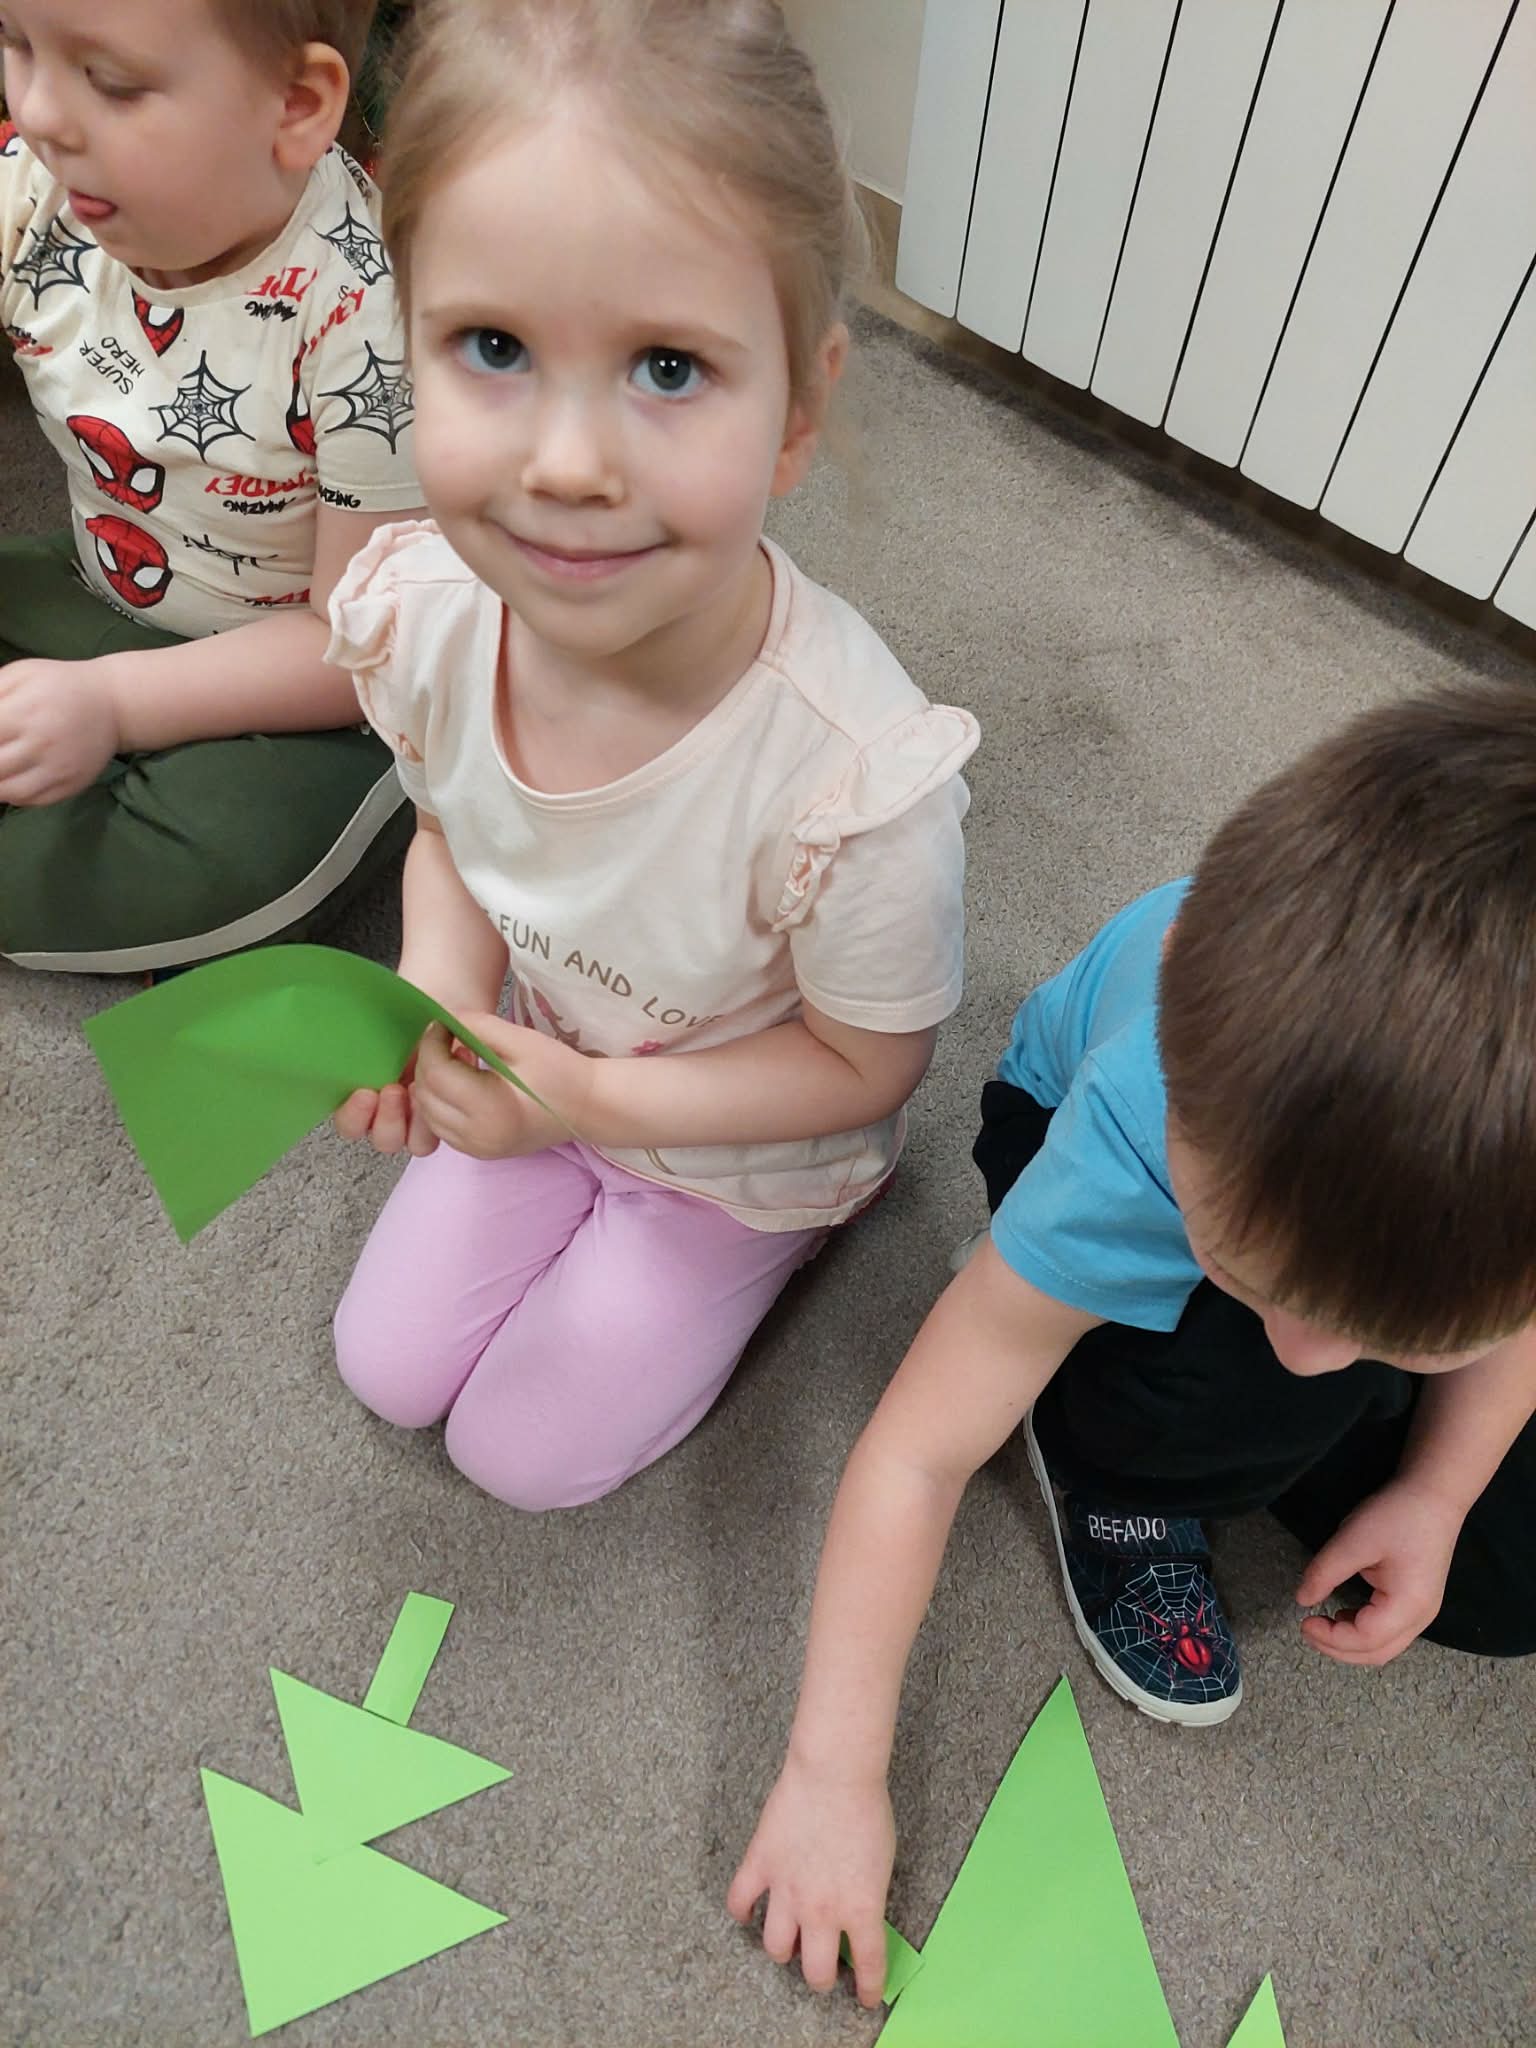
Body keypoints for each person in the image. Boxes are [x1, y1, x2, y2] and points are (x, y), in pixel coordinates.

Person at [730, 681, 1536, 2008]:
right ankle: (1100, 1455)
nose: (1317, 1350)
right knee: (1267, 1394)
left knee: (1509, 1581)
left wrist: (1441, 1495)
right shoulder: (1135, 1128)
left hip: (1315, 1188)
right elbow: (917, 1453)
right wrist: (830, 1772)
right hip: (1069, 1133)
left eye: (1395, 1335)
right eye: (1262, 1279)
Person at [323, 0, 979, 1512]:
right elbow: (453, 833)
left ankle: (782, 1243)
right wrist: (442, 994)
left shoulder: (854, 786)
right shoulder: (428, 615)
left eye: (668, 368)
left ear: (800, 410)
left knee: (522, 1457)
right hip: (540, 1060)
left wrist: (588, 1105)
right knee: (384, 1363)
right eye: (493, 347)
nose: (566, 465)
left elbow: (868, 1063)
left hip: (739, 1156)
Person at [0, 0, 423, 974]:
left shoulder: (369, 319)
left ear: (295, 104)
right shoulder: (37, 183)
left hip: (301, 688)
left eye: (111, 82)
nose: (42, 112)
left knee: (243, 847)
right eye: (16, 44)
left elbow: (361, 647)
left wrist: (112, 703)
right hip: (98, 589)